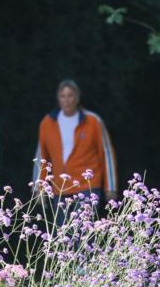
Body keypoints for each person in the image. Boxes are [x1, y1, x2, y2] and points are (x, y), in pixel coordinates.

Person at [32, 79, 117, 219]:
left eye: (70, 96)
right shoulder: (47, 123)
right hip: (60, 187)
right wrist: (38, 188)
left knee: (84, 234)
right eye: (63, 96)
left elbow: (106, 154)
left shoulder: (93, 121)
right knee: (62, 235)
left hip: (87, 186)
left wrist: (111, 188)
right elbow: (42, 157)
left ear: (77, 97)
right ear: (58, 98)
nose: (67, 100)